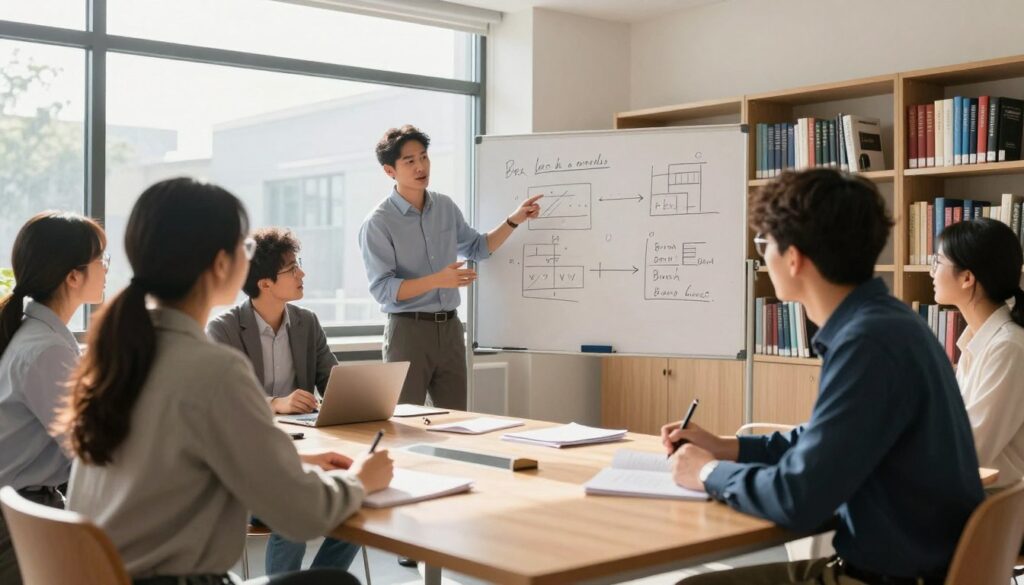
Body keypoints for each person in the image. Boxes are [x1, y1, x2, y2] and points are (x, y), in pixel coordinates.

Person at [61, 178, 393, 585]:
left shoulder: (120, 354)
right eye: (244, 248)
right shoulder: (212, 368)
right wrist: (360, 480)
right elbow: (302, 515)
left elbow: (176, 461)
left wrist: (295, 461)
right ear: (222, 264)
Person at [665, 169, 984, 585]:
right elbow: (823, 440)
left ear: (793, 257)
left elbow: (799, 498)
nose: (762, 255)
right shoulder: (890, 321)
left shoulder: (867, 342)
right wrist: (728, 448)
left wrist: (707, 472)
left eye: (764, 243)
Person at [208, 227, 360, 575]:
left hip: (307, 453)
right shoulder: (224, 329)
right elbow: (225, 405)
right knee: (291, 508)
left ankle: (317, 583)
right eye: (292, 268)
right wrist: (275, 403)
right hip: (249, 463)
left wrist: (360, 395)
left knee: (360, 499)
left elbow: (333, 383)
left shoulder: (307, 323)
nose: (301, 274)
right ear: (264, 283)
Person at [358, 125, 542, 411]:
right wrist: (438, 280)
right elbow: (384, 290)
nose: (421, 167)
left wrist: (515, 220)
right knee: (406, 423)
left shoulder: (444, 207)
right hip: (408, 332)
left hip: (452, 331)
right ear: (389, 170)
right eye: (410, 161)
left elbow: (478, 248)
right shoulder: (378, 223)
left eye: (424, 157)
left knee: (456, 421)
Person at [0, 211, 107, 585]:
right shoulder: (46, 349)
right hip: (16, 522)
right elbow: (88, 448)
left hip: (28, 506)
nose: (106, 270)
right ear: (74, 276)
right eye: (101, 260)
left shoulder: (41, 337)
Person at [931, 217, 1024, 489]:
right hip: (971, 493)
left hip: (991, 507)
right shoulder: (982, 341)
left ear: (967, 278)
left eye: (937, 263)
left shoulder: (1008, 347)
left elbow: (970, 449)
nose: (931, 273)